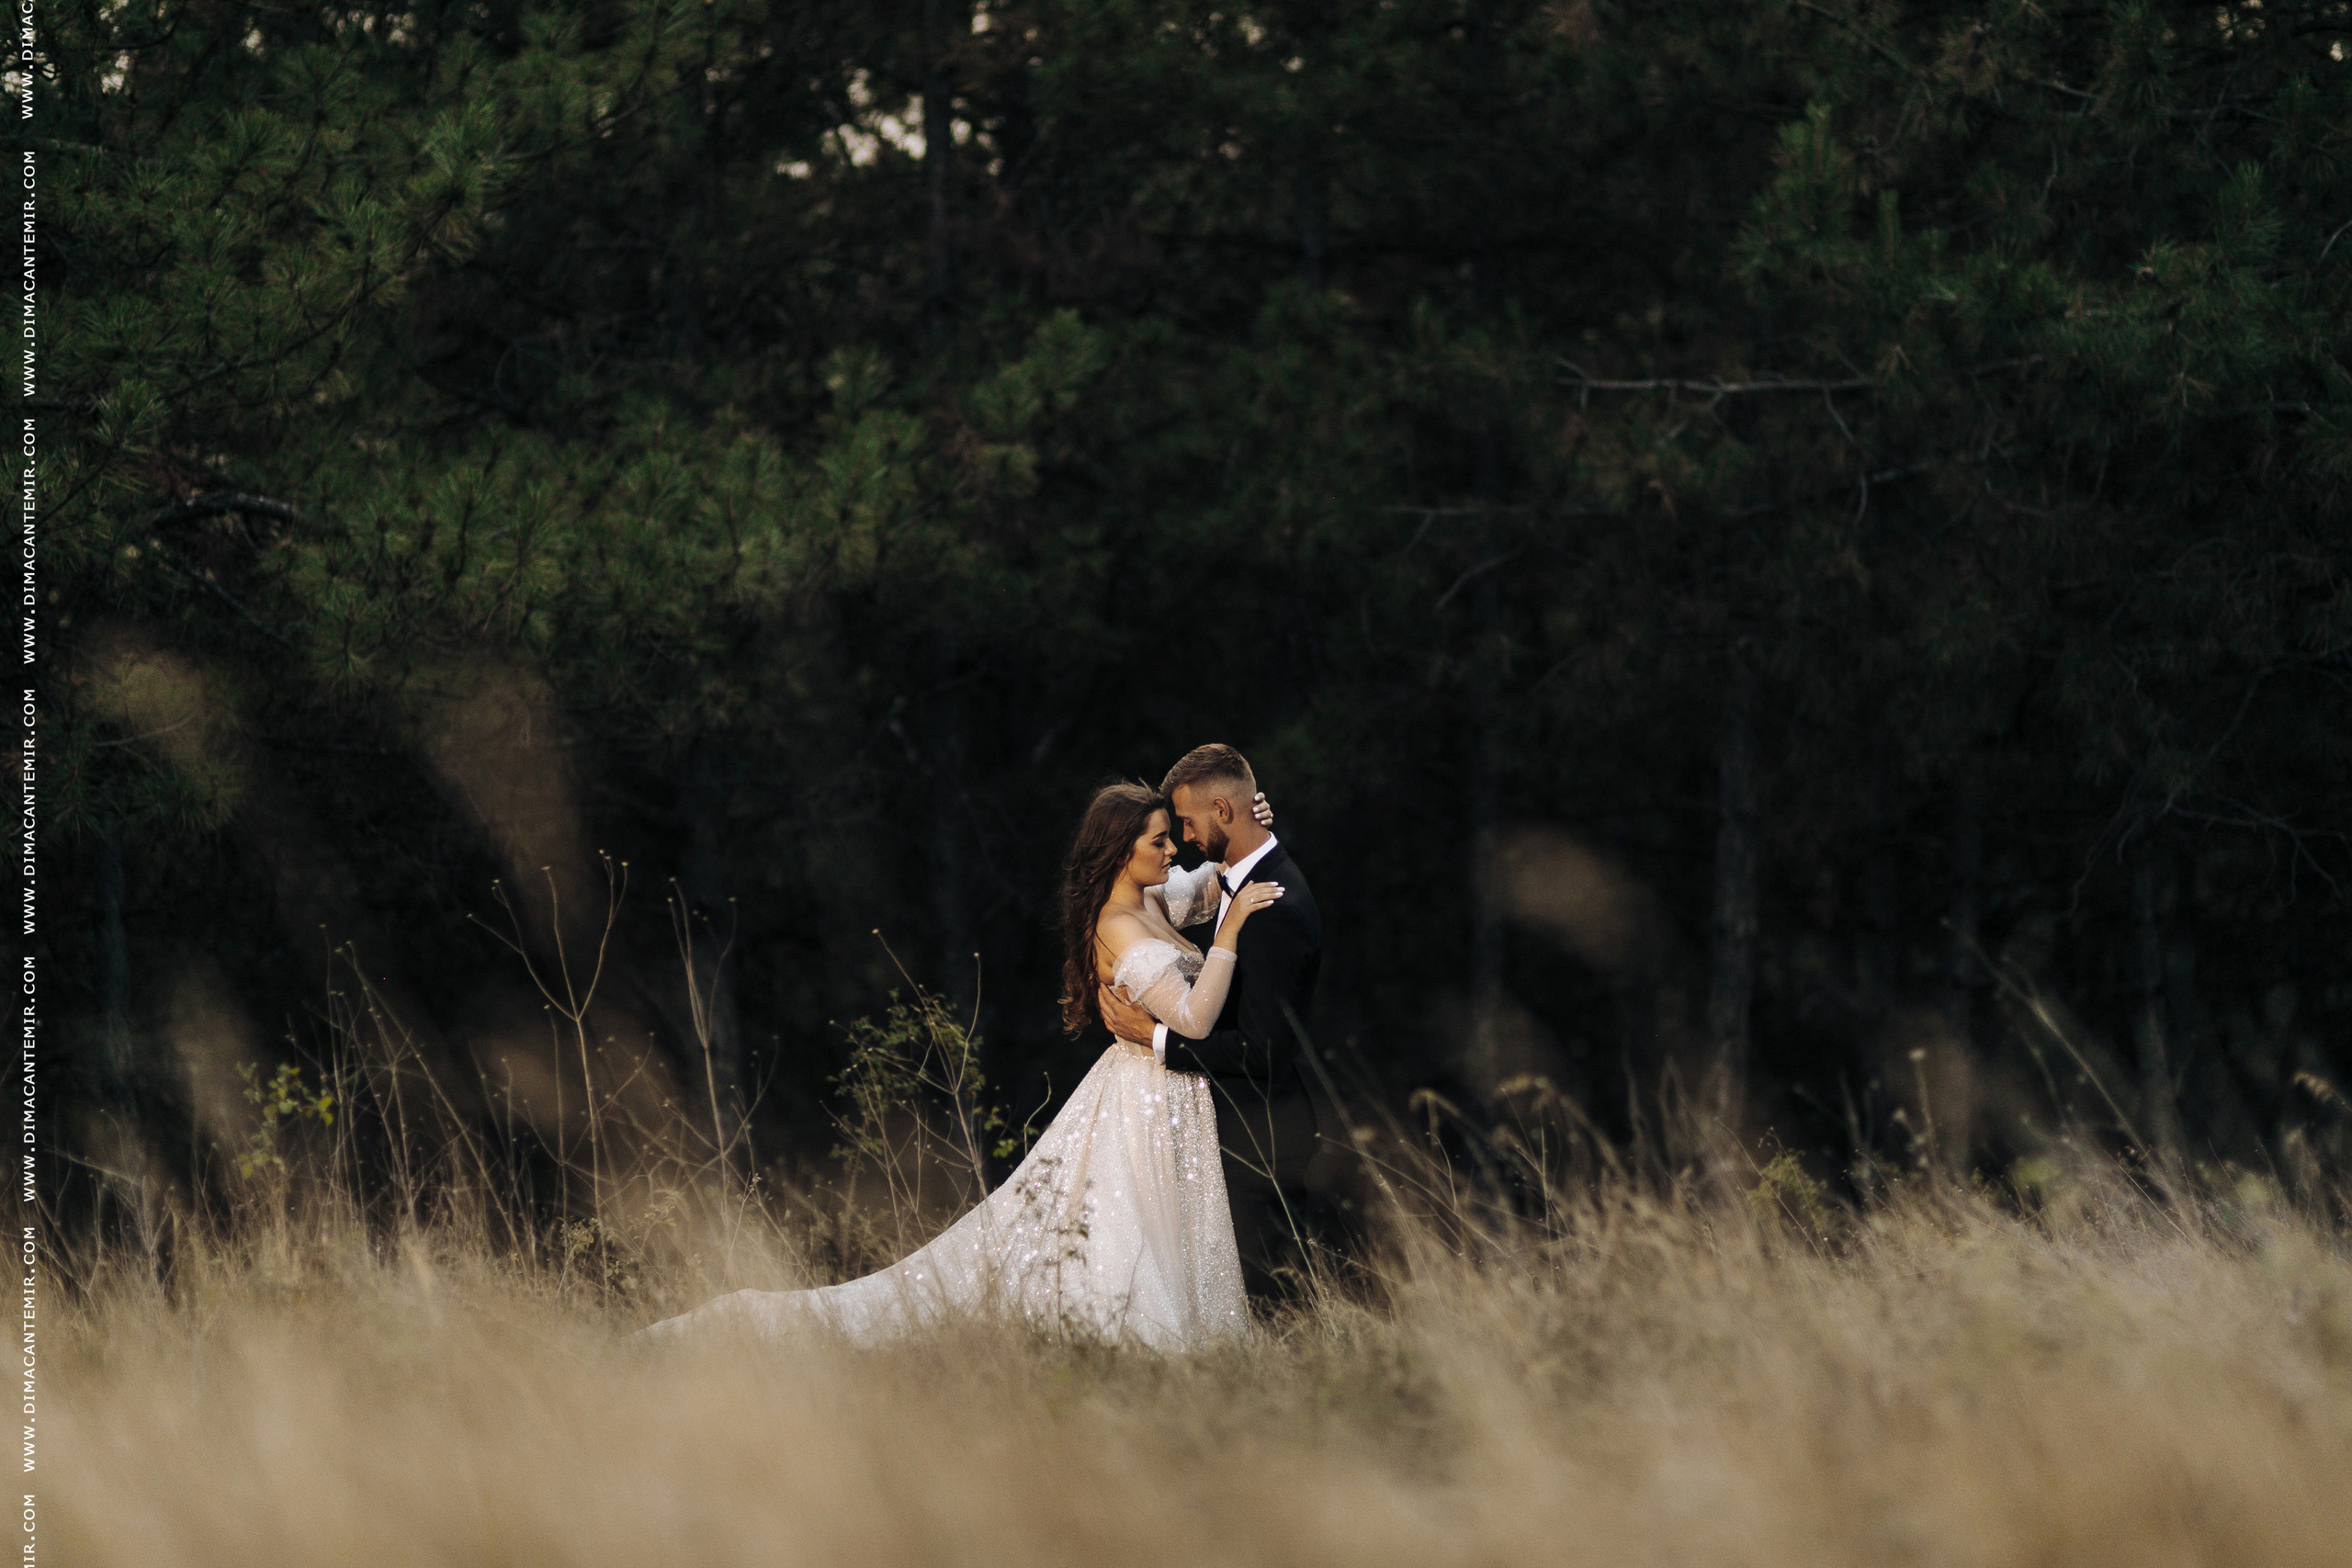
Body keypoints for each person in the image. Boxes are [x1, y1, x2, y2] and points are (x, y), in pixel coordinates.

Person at [637, 781, 1283, 1350]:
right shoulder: (1119, 923)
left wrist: (1254, 827)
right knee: (1129, 1222)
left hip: (1164, 1091)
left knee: (1165, 1220)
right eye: (1160, 841)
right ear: (1122, 851)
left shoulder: (1152, 897)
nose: (1174, 851)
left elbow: (1207, 887)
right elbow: (1194, 1020)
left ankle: (1198, 1337)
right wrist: (1225, 939)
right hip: (1145, 1095)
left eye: (1172, 838)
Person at [1097, 743, 1323, 1301]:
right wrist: (1241, 832)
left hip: (1261, 1126)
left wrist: (1152, 1037)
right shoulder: (1177, 895)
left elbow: (1261, 1048)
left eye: (1187, 825)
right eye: (1164, 837)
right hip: (1207, 1118)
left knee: (1268, 1296)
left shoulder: (1273, 907)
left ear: (1222, 810)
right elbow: (1205, 883)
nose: (1181, 842)